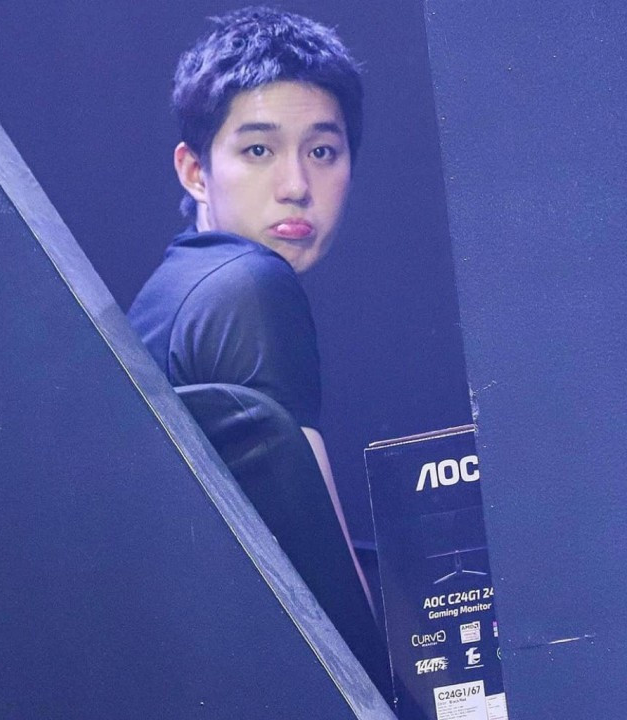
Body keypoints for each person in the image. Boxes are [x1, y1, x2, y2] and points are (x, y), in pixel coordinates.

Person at [128, 5, 390, 699]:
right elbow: (327, 600)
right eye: (258, 151)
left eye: (322, 151)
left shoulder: (174, 289)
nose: (296, 185)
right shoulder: (250, 283)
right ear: (194, 170)